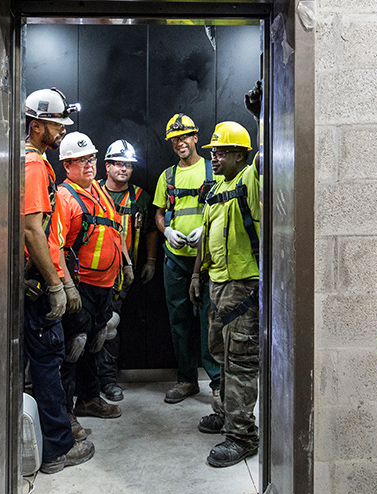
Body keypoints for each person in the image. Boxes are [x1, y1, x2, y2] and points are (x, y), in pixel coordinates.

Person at [23, 88, 94, 474]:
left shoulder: (32, 161)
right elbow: (33, 230)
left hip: (39, 275)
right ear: (37, 126)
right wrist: (54, 284)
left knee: (43, 361)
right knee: (49, 362)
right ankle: (56, 451)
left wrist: (62, 278)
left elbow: (46, 235)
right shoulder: (33, 165)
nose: (62, 130)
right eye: (55, 124)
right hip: (36, 283)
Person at [189, 109, 262, 467]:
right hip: (217, 284)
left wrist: (262, 114)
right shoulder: (215, 189)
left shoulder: (251, 179)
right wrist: (195, 275)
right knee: (219, 354)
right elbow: (206, 235)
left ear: (240, 156)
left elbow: (269, 155)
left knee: (241, 363)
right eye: (213, 151)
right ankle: (227, 411)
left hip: (243, 287)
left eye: (221, 152)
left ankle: (243, 435)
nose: (213, 157)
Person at [56, 132, 123, 442]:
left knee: (96, 341)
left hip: (104, 286)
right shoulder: (64, 197)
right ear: (67, 164)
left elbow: (114, 229)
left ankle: (89, 398)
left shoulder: (99, 190)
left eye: (91, 159)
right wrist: (67, 287)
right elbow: (54, 246)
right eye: (81, 161)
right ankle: (65, 412)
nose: (89, 165)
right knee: (75, 345)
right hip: (80, 287)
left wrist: (128, 264)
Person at [153, 114, 222, 405]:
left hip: (207, 260)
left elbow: (224, 204)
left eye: (185, 136)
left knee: (211, 322)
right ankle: (186, 380)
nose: (180, 142)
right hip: (176, 260)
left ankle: (218, 383)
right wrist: (166, 230)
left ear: (195, 137)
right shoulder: (167, 177)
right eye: (175, 139)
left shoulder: (212, 171)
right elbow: (158, 213)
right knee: (179, 321)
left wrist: (204, 230)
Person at [97, 139, 160, 401]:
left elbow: (150, 230)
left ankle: (107, 380)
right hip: (91, 274)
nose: (124, 169)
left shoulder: (139, 198)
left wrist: (150, 261)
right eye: (119, 164)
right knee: (85, 329)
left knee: (111, 327)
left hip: (122, 277)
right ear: (107, 165)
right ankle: (86, 384)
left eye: (129, 165)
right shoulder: (91, 191)